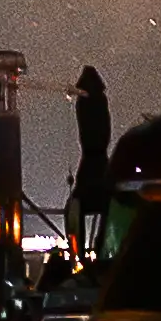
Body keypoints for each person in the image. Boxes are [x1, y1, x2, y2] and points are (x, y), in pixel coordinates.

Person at [66, 62, 115, 259]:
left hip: (91, 164)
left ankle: (82, 254)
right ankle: (101, 247)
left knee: (75, 207)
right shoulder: (99, 101)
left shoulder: (87, 101)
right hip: (99, 163)